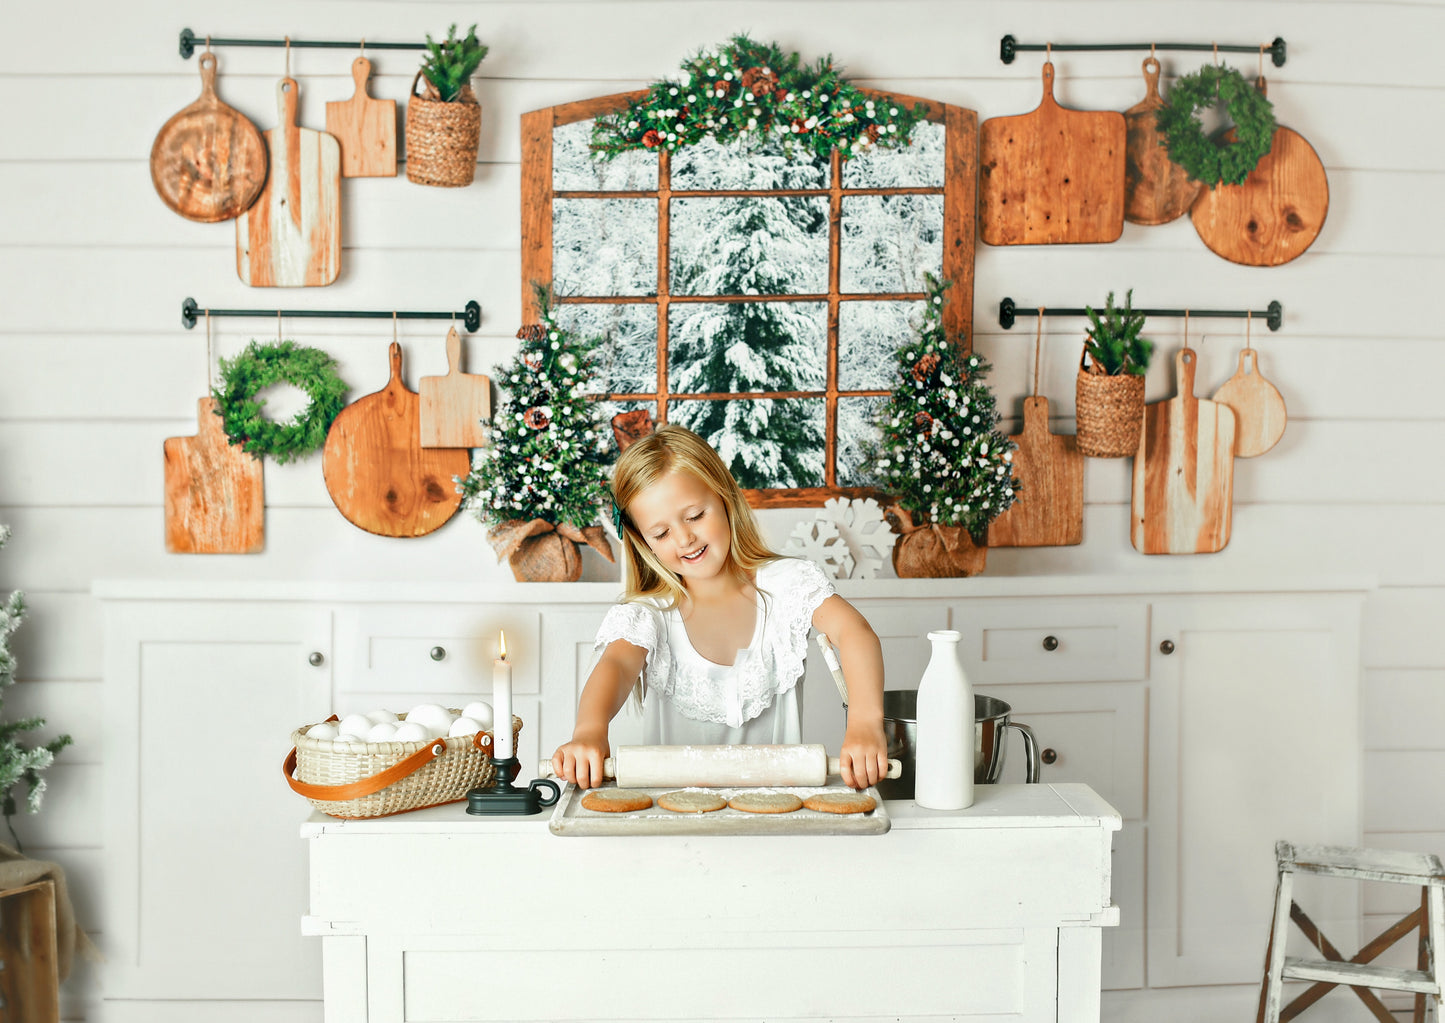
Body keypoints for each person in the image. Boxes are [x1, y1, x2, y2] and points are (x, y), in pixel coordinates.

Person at [551, 424, 889, 791]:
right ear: (642, 541)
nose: (684, 538)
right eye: (661, 533)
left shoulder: (787, 584)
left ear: (725, 497)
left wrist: (865, 722)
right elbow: (616, 665)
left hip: (776, 821)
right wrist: (589, 730)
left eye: (695, 515)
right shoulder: (651, 615)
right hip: (673, 824)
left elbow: (855, 633)